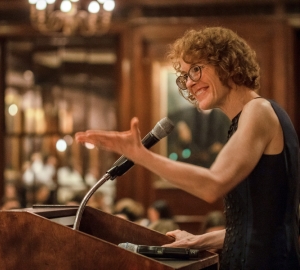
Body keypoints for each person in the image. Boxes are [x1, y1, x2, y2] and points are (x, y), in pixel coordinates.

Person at [75, 26, 300, 269]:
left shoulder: (258, 111)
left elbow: (212, 185)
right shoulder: (249, 116)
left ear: (227, 62)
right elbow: (261, 226)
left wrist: (140, 155)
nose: (190, 83)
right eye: (185, 76)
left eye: (196, 69)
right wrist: (199, 240)